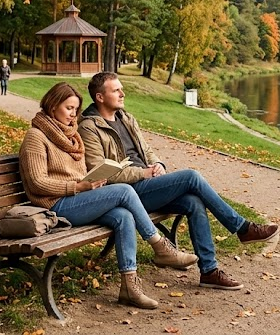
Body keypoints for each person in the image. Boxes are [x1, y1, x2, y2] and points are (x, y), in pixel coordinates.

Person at [79, 72, 279, 291]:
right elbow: (102, 174)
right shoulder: (89, 127)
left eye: (121, 88)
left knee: (193, 201)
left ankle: (209, 271)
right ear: (100, 97)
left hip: (148, 185)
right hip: (126, 194)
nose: (122, 93)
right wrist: (143, 173)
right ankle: (242, 228)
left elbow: (147, 151)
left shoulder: (125, 118)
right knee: (191, 177)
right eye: (116, 90)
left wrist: (159, 165)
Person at [18, 82, 199, 310]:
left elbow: (79, 173)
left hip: (78, 198)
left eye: (76, 109)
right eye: (68, 108)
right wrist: (78, 187)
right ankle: (160, 246)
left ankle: (129, 288)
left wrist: (96, 180)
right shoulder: (36, 136)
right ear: (53, 106)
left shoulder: (72, 135)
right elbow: (37, 182)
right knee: (124, 190)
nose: (74, 114)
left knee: (123, 216)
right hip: (56, 205)